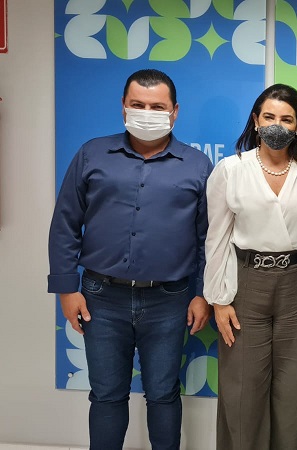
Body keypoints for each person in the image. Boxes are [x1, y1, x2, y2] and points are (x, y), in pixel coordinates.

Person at [47, 69, 213, 450]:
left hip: (169, 300)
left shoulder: (197, 165)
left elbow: (209, 238)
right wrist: (66, 290)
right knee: (106, 395)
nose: (146, 113)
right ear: (123, 107)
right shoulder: (92, 154)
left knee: (163, 394)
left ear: (174, 112)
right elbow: (65, 224)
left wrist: (202, 294)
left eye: (157, 107)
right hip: (100, 298)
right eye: (138, 105)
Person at [204, 84, 297, 450]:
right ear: (255, 120)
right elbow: (217, 238)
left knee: (295, 394)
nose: (276, 126)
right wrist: (219, 299)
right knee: (242, 393)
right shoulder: (231, 170)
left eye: (286, 119)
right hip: (245, 285)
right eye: (269, 117)